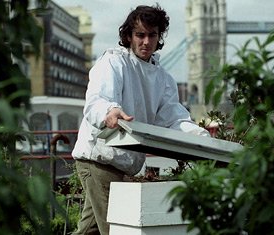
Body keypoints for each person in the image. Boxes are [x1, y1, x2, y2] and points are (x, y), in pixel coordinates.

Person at [71, 4, 210, 235]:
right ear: (128, 36)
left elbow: (173, 118)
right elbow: (98, 98)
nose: (146, 42)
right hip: (99, 158)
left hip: (122, 162)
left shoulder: (163, 78)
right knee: (116, 230)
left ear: (159, 37)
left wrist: (200, 136)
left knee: (89, 231)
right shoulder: (113, 62)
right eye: (140, 35)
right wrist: (110, 112)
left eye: (152, 35)